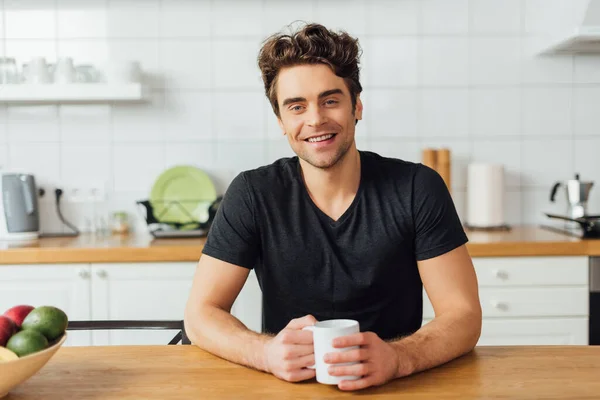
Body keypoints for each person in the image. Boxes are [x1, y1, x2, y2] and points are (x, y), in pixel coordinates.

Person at [184, 22, 482, 392]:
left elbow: (464, 315)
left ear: (356, 105)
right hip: (289, 387)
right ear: (280, 121)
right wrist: (265, 354)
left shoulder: (417, 187)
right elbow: (200, 315)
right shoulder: (252, 193)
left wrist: (400, 358)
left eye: (330, 100)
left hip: (400, 386)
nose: (315, 120)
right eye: (297, 106)